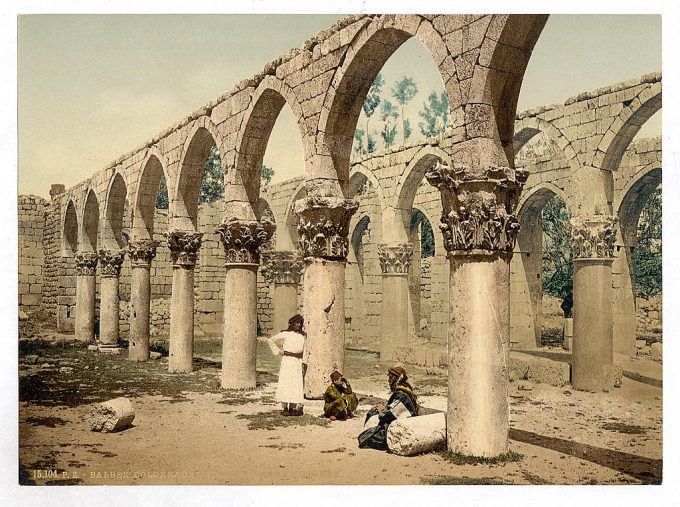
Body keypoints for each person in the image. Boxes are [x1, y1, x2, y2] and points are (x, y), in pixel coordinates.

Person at [358, 366, 418, 450]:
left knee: (364, 438)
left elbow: (389, 416)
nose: (389, 381)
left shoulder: (401, 395)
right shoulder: (406, 390)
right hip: (404, 422)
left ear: (396, 379)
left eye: (390, 378)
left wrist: (380, 412)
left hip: (403, 428)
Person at [266, 314, 307, 416]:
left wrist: (303, 362)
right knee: (286, 383)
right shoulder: (286, 334)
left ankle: (292, 408)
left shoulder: (303, 336)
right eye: (297, 323)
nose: (299, 325)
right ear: (292, 324)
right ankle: (285, 408)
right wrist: (278, 351)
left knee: (295, 384)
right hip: (287, 361)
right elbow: (271, 340)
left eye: (300, 323)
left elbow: (305, 350)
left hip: (297, 362)